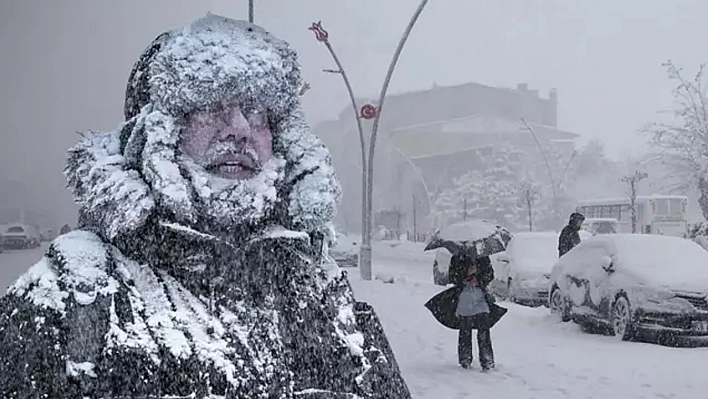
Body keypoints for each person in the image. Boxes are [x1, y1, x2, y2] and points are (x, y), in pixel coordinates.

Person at [0, 15, 411, 399]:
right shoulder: (71, 298)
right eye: (212, 107)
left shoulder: (315, 282)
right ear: (156, 133)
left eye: (257, 111)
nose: (240, 129)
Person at [424, 240, 506, 372]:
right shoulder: (457, 257)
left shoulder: (483, 257)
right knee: (465, 331)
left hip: (480, 299)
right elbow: (452, 277)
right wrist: (466, 276)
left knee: (484, 330)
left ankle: (487, 360)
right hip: (464, 300)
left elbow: (490, 274)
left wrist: (478, 279)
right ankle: (465, 359)